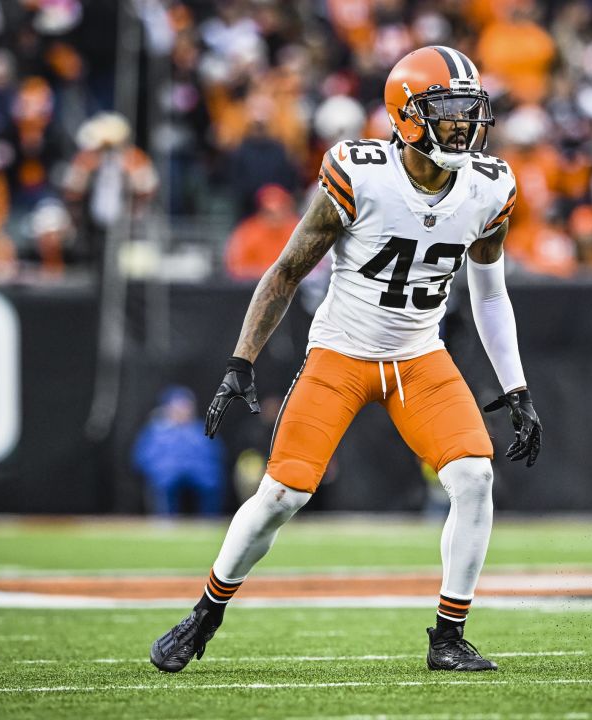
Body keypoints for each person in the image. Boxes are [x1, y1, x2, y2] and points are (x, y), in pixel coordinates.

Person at [150, 46, 543, 674]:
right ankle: (205, 612)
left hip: (420, 356)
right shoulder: (360, 173)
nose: (463, 126)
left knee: (475, 476)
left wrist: (516, 386)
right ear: (407, 116)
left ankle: (448, 635)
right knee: (281, 496)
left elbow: (489, 291)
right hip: (340, 354)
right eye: (447, 112)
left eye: (470, 111)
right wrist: (240, 361)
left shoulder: (488, 187)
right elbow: (285, 272)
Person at [131, 387, 226, 517]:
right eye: (178, 407)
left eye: (186, 407)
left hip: (198, 472)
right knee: (164, 483)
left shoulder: (200, 429)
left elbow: (215, 454)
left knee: (211, 481)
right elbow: (142, 457)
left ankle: (208, 520)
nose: (183, 411)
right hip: (168, 473)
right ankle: (164, 521)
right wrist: (161, 468)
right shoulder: (156, 431)